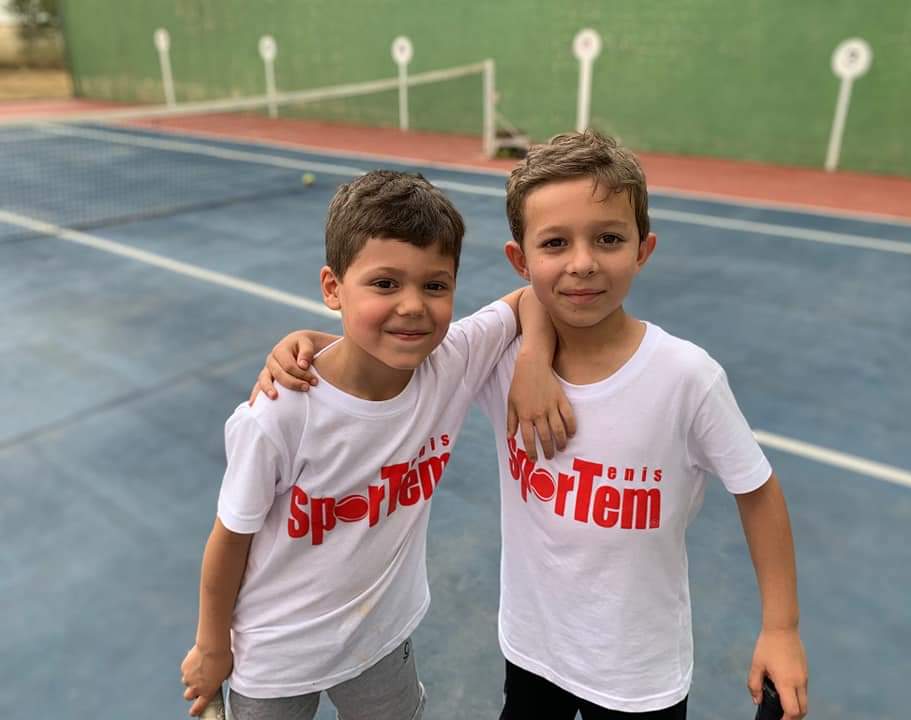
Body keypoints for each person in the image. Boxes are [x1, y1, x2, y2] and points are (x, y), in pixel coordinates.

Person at [254, 131, 809, 719]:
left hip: (637, 674)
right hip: (532, 652)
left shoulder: (685, 377)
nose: (582, 263)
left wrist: (781, 628)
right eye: (555, 243)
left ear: (643, 249)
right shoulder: (499, 364)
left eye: (608, 239)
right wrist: (308, 345)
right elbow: (391, 353)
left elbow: (757, 490)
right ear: (521, 260)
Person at [180, 170, 567, 720]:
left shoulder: (450, 363)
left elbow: (531, 298)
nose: (412, 305)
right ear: (332, 288)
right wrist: (211, 647)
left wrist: (532, 362)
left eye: (435, 286)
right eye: (385, 284)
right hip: (275, 657)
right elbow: (229, 541)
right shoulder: (281, 412)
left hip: (380, 641)